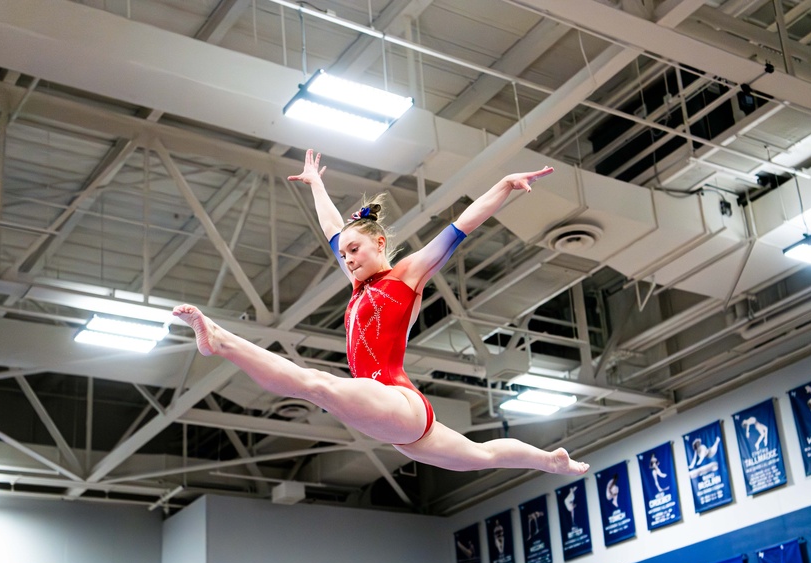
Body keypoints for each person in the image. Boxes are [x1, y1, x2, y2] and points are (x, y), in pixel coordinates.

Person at [173, 149, 590, 477]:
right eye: (343, 254)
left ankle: (222, 341)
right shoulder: (357, 285)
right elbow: (331, 227)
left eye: (355, 250)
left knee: (316, 384)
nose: (348, 259)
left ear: (379, 243)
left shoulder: (407, 275)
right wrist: (316, 183)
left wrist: (503, 185)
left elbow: (461, 227)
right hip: (393, 418)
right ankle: (550, 462)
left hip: (396, 399)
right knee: (478, 456)